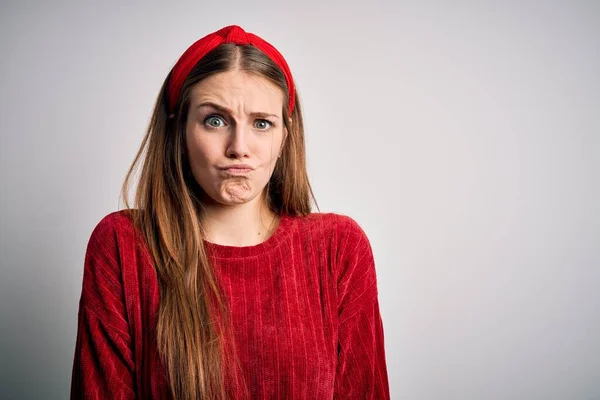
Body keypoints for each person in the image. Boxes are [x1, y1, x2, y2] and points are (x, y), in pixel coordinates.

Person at [70, 25, 390, 399]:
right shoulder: (123, 245)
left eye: (261, 123)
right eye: (215, 120)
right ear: (179, 130)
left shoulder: (339, 248)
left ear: (284, 138)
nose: (240, 147)